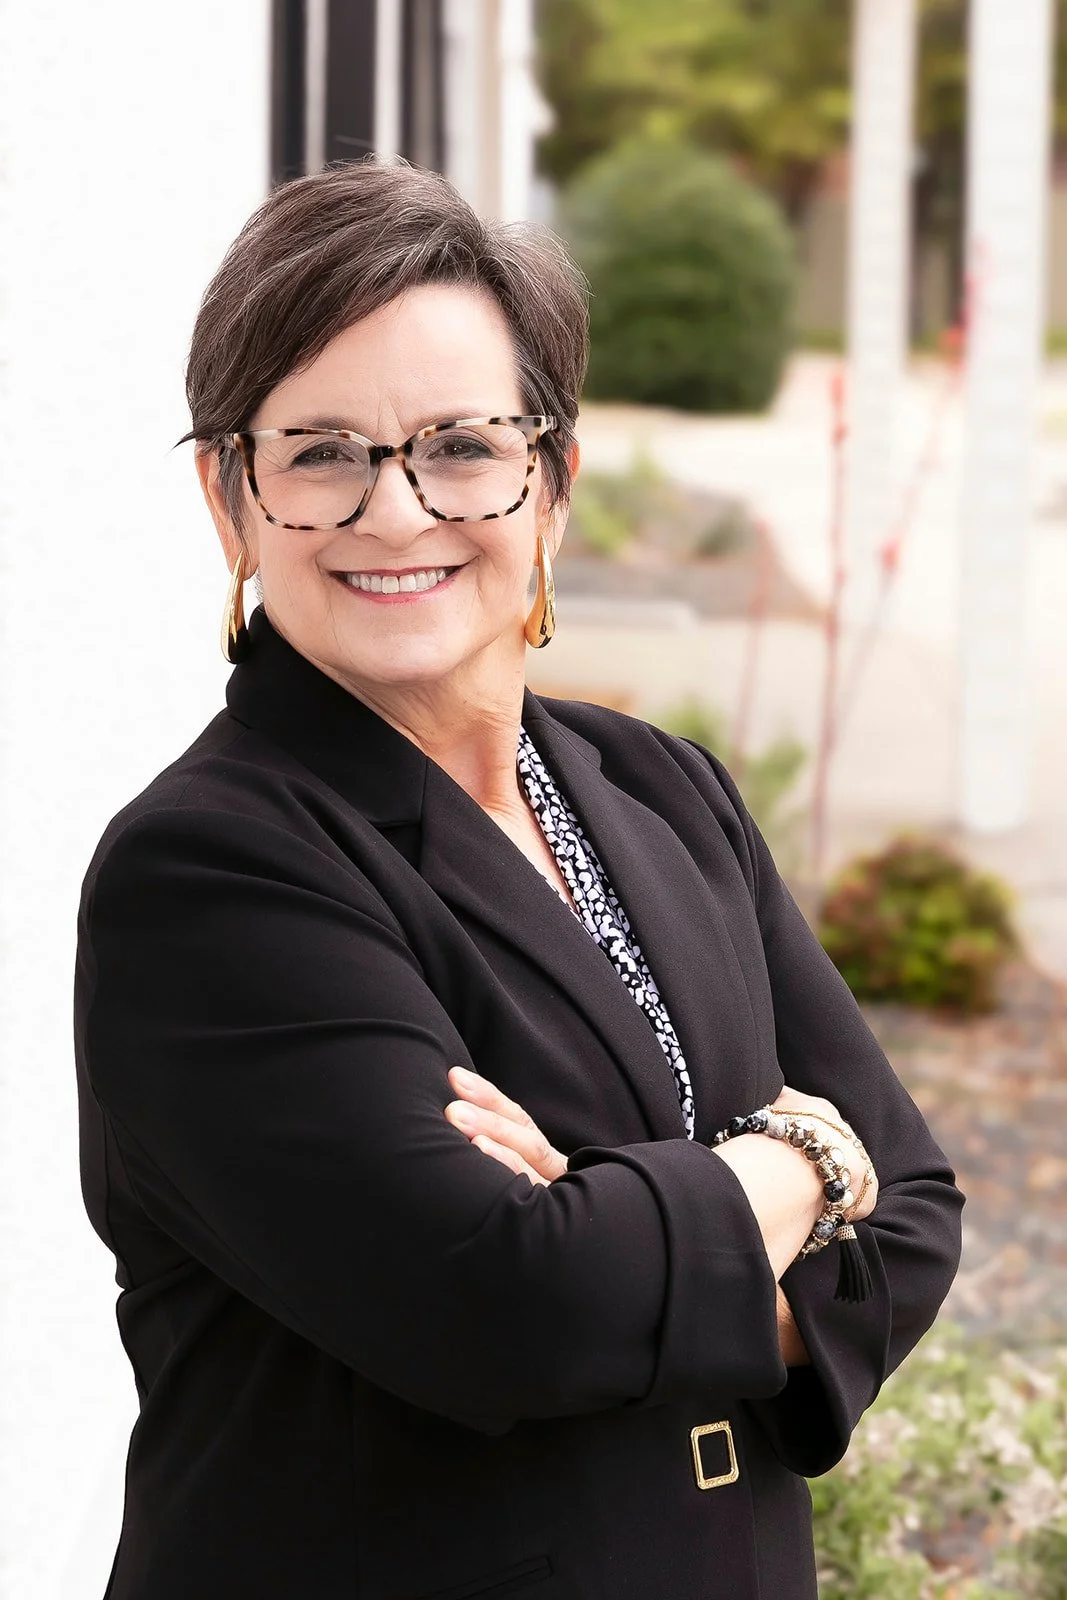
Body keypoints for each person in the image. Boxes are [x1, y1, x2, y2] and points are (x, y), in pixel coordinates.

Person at [73, 158, 963, 1600]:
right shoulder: (213, 874)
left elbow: (914, 1205)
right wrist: (794, 1161)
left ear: (548, 481)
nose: (396, 508)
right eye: (320, 453)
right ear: (230, 503)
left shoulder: (661, 788)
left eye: (460, 445)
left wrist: (623, 1233)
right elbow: (514, 1306)